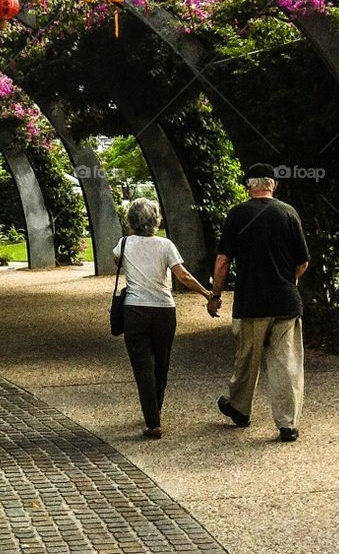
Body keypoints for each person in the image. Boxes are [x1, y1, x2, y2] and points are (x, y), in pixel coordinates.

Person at [207, 163, 310, 442]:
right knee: (286, 362)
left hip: (251, 302)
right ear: (273, 185)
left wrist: (215, 295)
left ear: (248, 186)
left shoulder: (238, 215)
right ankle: (287, 424)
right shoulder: (288, 213)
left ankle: (239, 408)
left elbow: (222, 261)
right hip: (286, 302)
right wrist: (291, 281)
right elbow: (302, 262)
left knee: (247, 359)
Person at [113, 197, 216, 439]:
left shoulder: (124, 243)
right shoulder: (166, 245)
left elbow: (117, 261)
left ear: (131, 221)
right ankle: (155, 410)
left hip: (135, 309)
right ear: (156, 220)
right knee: (161, 362)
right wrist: (207, 294)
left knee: (142, 366)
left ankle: (153, 421)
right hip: (164, 309)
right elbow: (184, 276)